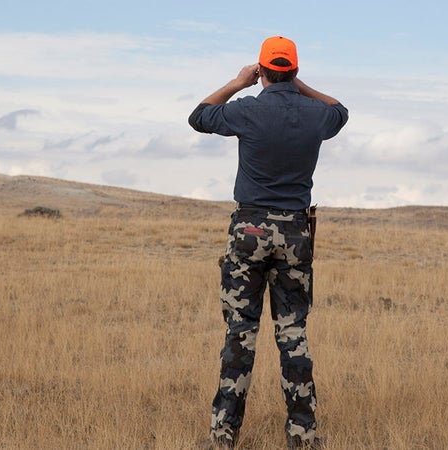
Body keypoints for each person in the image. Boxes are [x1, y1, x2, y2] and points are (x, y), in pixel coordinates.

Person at [188, 36, 348, 449]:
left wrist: (238, 82)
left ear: (262, 71)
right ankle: (303, 436)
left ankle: (223, 438)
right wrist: (301, 87)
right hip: (296, 233)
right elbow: (341, 111)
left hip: (249, 231)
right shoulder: (317, 115)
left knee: (239, 334)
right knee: (293, 333)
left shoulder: (248, 109)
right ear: (294, 70)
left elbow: (199, 115)